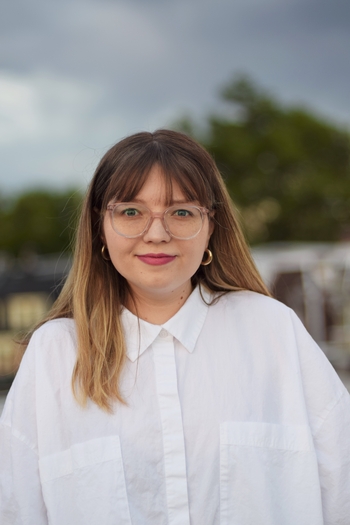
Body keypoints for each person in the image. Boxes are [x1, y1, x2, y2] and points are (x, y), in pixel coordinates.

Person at [0, 129, 349, 525]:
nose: (157, 234)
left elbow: (341, 490)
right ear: (100, 226)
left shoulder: (273, 331)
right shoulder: (56, 354)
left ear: (211, 225)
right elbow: (17, 509)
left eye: (181, 212)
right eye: (131, 212)